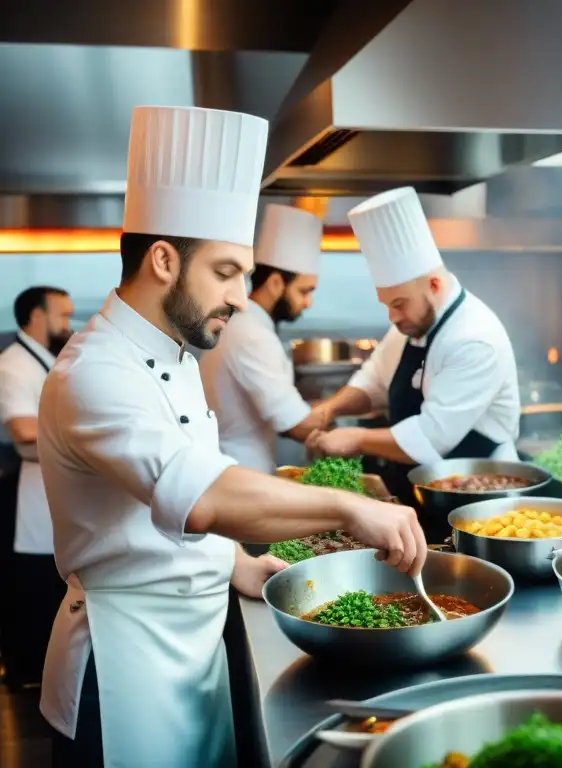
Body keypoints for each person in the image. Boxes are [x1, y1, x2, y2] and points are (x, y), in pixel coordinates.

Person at [37, 105, 426, 768]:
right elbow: (203, 497)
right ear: (164, 260)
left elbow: (170, 499)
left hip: (192, 648)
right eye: (226, 272)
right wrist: (351, 505)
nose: (242, 296)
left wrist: (239, 564)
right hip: (123, 664)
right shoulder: (95, 373)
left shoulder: (177, 351)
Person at [305, 188, 520, 508]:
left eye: (399, 304)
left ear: (434, 285)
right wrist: (330, 409)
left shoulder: (475, 339)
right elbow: (374, 382)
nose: (392, 317)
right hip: (423, 487)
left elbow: (430, 436)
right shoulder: (410, 323)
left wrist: (356, 438)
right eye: (387, 305)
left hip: (481, 492)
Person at [200, 203, 334, 473]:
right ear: (275, 283)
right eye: (304, 291)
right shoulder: (251, 334)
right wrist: (338, 417)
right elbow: (295, 424)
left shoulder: (246, 325)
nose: (308, 303)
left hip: (241, 469)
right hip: (237, 473)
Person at [0, 286, 73, 689]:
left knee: (53, 584)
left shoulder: (46, 360)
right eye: (62, 315)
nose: (67, 325)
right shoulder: (14, 365)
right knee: (34, 590)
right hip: (33, 493)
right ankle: (28, 676)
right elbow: (22, 428)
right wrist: (82, 434)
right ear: (36, 317)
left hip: (56, 488)